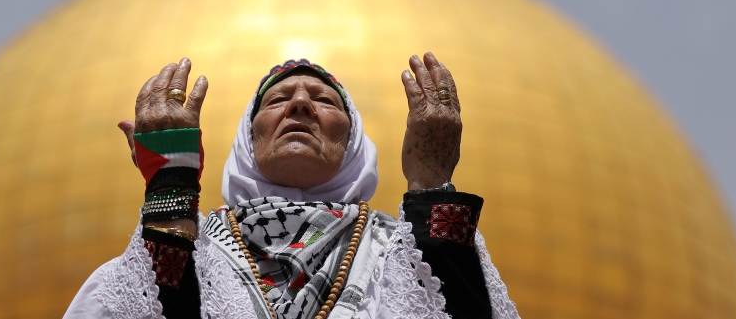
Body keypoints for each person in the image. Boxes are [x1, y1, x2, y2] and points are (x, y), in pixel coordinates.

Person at [63, 54, 520, 319]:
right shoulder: (199, 254)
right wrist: (170, 189)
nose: (300, 103)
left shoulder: (398, 253)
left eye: (323, 100)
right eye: (278, 100)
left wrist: (432, 186)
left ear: (353, 140)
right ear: (249, 137)